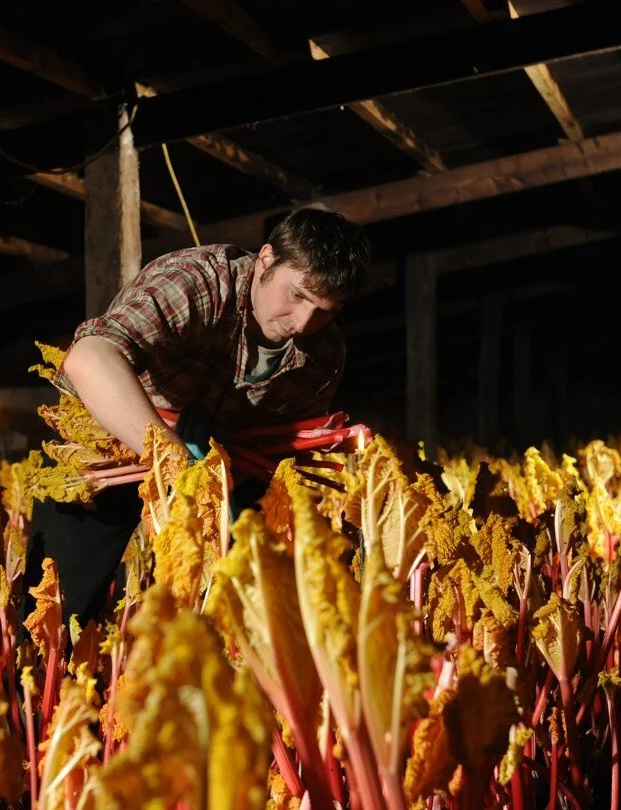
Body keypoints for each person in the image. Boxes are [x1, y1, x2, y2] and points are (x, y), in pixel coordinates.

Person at [29, 206, 371, 625]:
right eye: (297, 295)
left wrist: (220, 486)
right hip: (111, 452)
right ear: (266, 259)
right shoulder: (197, 281)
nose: (303, 322)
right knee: (56, 610)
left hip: (227, 476)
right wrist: (173, 459)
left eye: (325, 311)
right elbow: (90, 357)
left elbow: (278, 461)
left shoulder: (324, 353)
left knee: (224, 616)